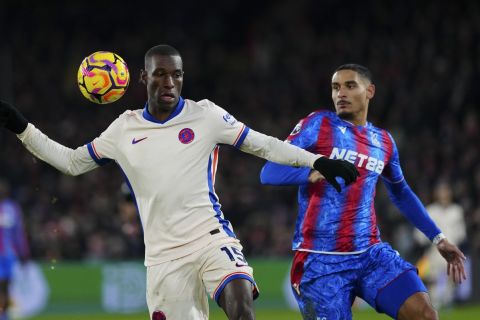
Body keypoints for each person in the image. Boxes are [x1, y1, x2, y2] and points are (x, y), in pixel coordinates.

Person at [0, 45, 359, 320]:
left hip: (210, 239)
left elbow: (263, 144)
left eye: (176, 75)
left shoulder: (205, 115)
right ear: (144, 78)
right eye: (160, 75)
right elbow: (71, 163)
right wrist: (20, 126)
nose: (169, 82)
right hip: (163, 258)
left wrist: (317, 160)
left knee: (241, 308)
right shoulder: (124, 129)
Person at [260, 64, 467, 320]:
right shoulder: (318, 124)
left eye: (350, 86)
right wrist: (312, 172)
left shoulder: (383, 141)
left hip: (371, 255)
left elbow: (400, 193)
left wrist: (438, 238)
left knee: (425, 315)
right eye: (335, 87)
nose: (340, 94)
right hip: (321, 261)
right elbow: (268, 172)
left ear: (369, 91)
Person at [414, 181, 467, 308]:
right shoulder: (431, 210)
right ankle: (434, 305)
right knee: (433, 280)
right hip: (434, 251)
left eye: (446, 191)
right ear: (436, 194)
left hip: (453, 250)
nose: (444, 194)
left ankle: (448, 305)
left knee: (450, 281)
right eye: (441, 191)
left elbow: (461, 233)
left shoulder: (456, 211)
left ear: (450, 193)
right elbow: (419, 234)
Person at [0, 179, 30, 320]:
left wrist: (23, 252)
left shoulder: (12, 208)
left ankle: (4, 314)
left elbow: (18, 232)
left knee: (6, 285)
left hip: (8, 254)